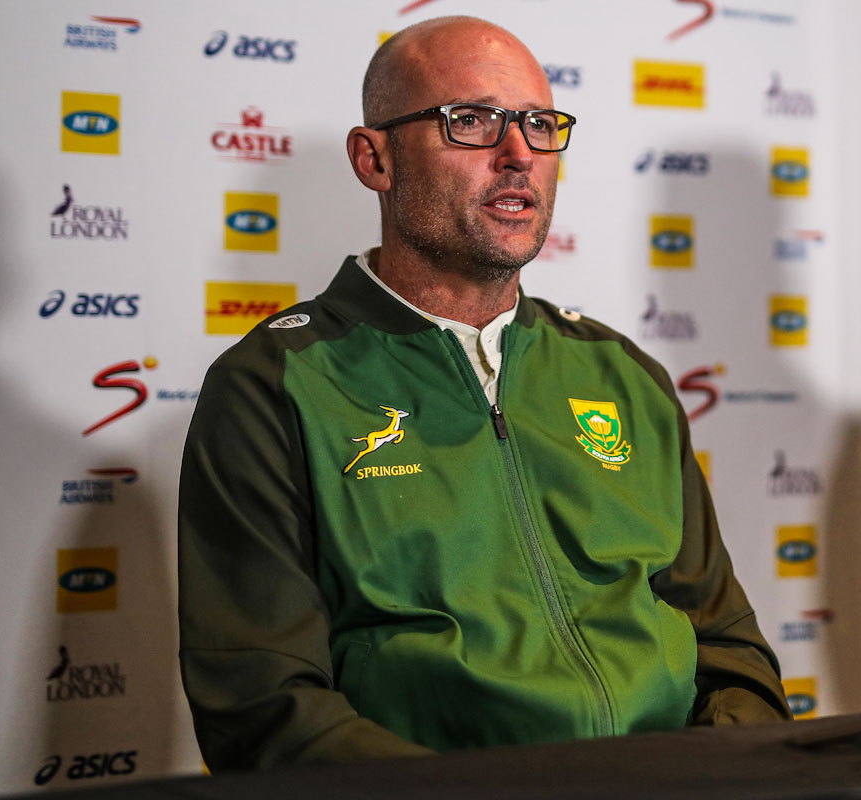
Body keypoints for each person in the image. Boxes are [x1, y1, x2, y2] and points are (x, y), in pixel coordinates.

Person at [177, 16, 789, 770]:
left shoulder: (621, 374)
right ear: (375, 159)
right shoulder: (273, 386)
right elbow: (264, 709)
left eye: (540, 125)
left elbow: (728, 650)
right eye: (470, 121)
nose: (519, 154)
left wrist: (711, 775)